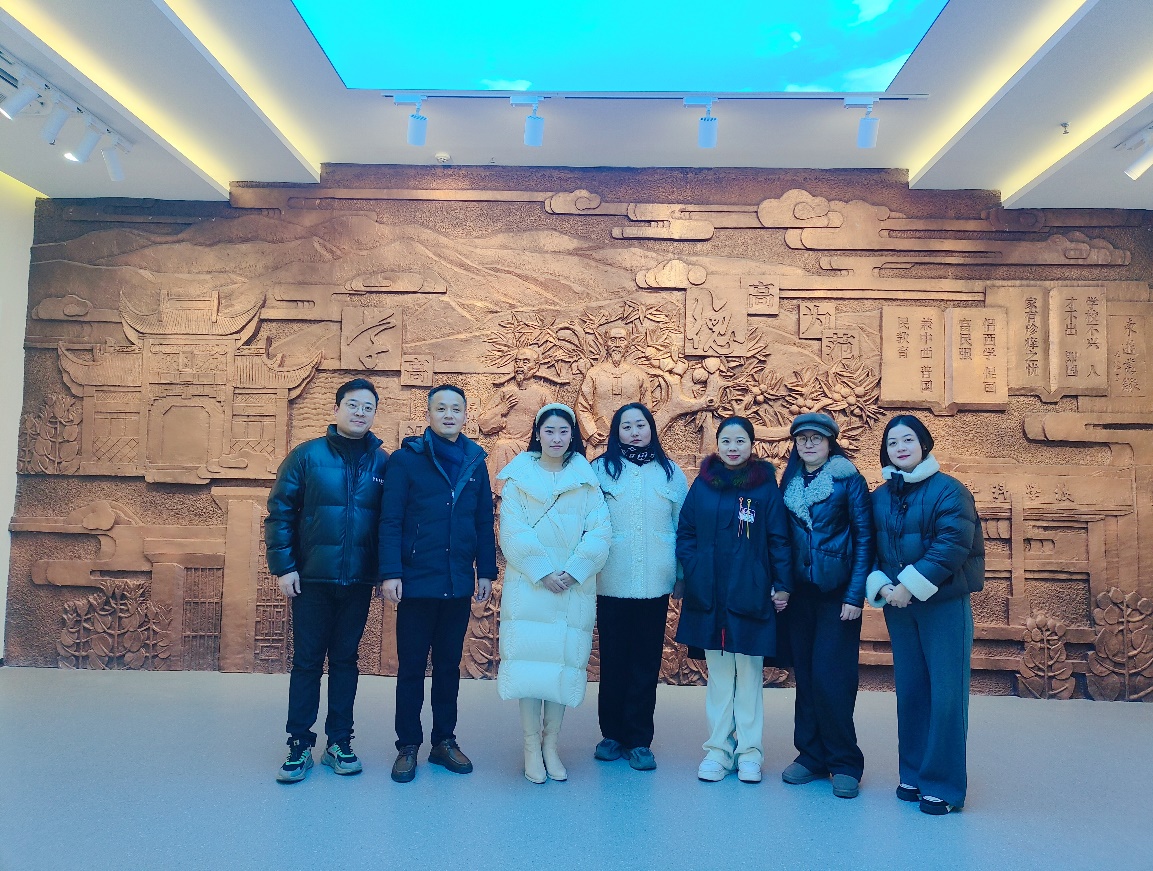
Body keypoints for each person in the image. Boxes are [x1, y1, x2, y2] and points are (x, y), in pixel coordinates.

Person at [265, 378, 389, 783]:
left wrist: (384, 573)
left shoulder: (382, 463)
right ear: (336, 410)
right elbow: (280, 513)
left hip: (357, 581)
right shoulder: (306, 456)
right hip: (312, 580)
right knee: (306, 661)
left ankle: (339, 742)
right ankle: (299, 743)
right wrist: (284, 567)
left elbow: (390, 524)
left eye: (367, 407)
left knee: (345, 661)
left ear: (374, 414)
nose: (360, 412)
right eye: (352, 405)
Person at [378, 384, 498, 783]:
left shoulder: (474, 460)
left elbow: (483, 519)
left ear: (465, 415)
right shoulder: (405, 460)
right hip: (416, 581)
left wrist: (486, 570)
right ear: (428, 414)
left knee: (448, 666)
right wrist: (391, 572)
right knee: (412, 667)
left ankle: (444, 741)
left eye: (456, 409)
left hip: (457, 582)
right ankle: (407, 745)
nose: (449, 415)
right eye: (441, 408)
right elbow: (390, 520)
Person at [865, 414, 984, 816]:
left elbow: (952, 545)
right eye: (892, 442)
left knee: (946, 694)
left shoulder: (950, 490)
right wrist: (882, 586)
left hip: (943, 606)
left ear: (924, 444)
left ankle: (943, 786)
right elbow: (869, 548)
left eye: (908, 440)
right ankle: (914, 774)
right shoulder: (880, 497)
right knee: (911, 691)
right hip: (899, 608)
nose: (900, 447)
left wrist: (909, 585)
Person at [496, 403, 612, 784]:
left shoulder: (586, 480)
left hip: (571, 588)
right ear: (538, 434)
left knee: (562, 666)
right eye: (549, 431)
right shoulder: (518, 479)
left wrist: (574, 571)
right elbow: (512, 531)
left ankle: (551, 745)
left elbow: (600, 532)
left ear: (572, 435)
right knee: (531, 668)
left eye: (564, 431)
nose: (557, 438)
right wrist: (543, 571)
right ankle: (531, 746)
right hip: (531, 586)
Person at [675, 416, 792, 784]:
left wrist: (782, 584)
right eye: (726, 440)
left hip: (750, 596)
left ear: (751, 444)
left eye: (740, 440)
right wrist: (694, 568)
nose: (732, 447)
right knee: (720, 680)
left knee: (750, 678)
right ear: (718, 444)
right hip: (709, 595)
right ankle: (718, 751)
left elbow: (779, 539)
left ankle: (750, 754)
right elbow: (686, 531)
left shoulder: (764, 488)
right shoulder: (703, 485)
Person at [778, 412, 873, 799]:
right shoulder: (790, 480)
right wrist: (782, 586)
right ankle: (811, 755)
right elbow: (782, 538)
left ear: (830, 442)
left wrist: (855, 595)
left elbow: (865, 539)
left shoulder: (849, 480)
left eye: (816, 438)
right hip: (801, 595)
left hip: (837, 595)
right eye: (802, 438)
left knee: (833, 679)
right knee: (806, 676)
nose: (809, 444)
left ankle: (844, 761)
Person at [590, 402, 688, 771]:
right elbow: (589, 523)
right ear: (616, 432)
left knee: (646, 662)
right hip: (611, 580)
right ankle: (612, 734)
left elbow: (682, 527)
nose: (634, 432)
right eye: (627, 426)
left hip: (655, 583)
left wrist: (681, 575)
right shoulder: (600, 469)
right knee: (613, 659)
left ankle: (639, 740)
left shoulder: (670, 472)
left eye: (641, 425)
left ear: (651, 429)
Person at [576, 326, 650, 447]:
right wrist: (591, 433)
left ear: (628, 344)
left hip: (631, 444)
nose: (617, 345)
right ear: (605, 344)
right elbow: (581, 406)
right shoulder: (594, 373)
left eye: (622, 340)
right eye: (612, 340)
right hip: (600, 443)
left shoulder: (639, 375)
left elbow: (646, 410)